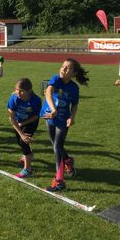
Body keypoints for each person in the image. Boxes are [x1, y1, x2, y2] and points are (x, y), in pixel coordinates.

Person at [41, 58, 89, 192]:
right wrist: (53, 109)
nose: (63, 69)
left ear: (74, 73)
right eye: (62, 66)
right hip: (49, 115)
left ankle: (59, 181)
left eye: (67, 68)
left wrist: (72, 118)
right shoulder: (56, 78)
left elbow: (74, 105)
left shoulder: (74, 88)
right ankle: (67, 160)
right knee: (56, 144)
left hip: (62, 119)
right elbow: (48, 93)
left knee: (57, 146)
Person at [7, 78, 42, 178]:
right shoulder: (13, 98)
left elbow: (35, 116)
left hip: (31, 122)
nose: (18, 92)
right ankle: (29, 155)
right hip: (17, 122)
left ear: (29, 91)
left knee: (24, 142)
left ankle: (28, 170)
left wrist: (23, 124)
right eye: (16, 89)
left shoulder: (36, 100)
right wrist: (20, 131)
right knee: (19, 141)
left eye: (21, 90)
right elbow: (12, 118)